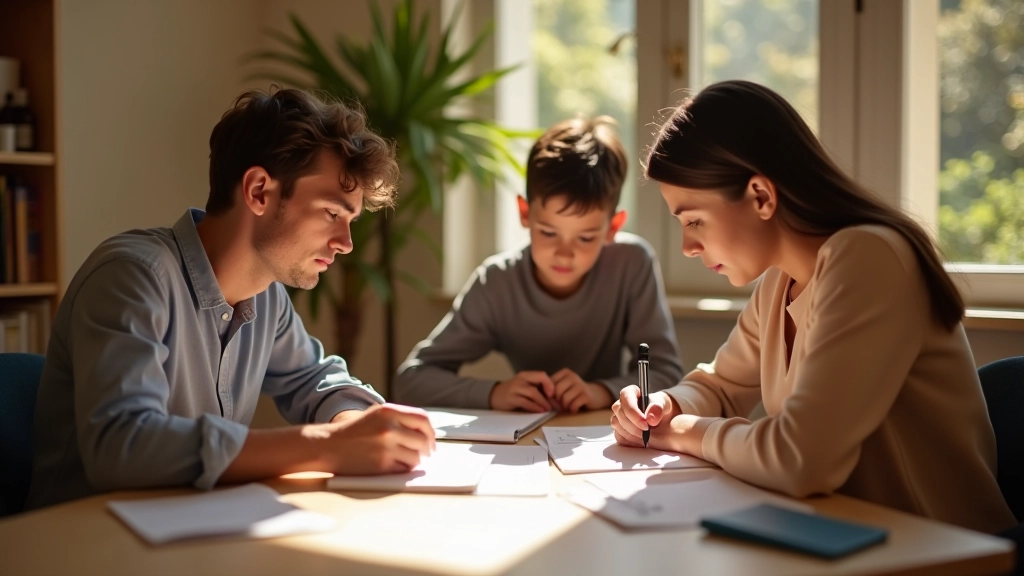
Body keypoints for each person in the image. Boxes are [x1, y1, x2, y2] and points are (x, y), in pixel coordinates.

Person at [611, 80, 1015, 533]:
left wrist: (681, 432)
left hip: (943, 550)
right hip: (847, 535)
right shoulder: (779, 282)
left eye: (695, 220)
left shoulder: (869, 258)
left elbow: (800, 459)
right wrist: (665, 404)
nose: (687, 246)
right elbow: (723, 387)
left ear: (761, 196)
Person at [26, 88, 436, 510]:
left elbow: (312, 379)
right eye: (332, 214)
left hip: (189, 530)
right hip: (85, 543)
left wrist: (354, 425)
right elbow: (123, 446)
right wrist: (327, 445)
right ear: (259, 191)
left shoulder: (267, 296)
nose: (346, 243)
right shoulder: (132, 277)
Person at [393, 116, 683, 413]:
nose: (564, 254)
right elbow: (412, 380)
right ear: (525, 213)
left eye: (584, 238)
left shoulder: (632, 264)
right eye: (548, 232)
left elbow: (667, 374)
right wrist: (494, 393)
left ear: (613, 227)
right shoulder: (497, 282)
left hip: (602, 436)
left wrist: (600, 392)